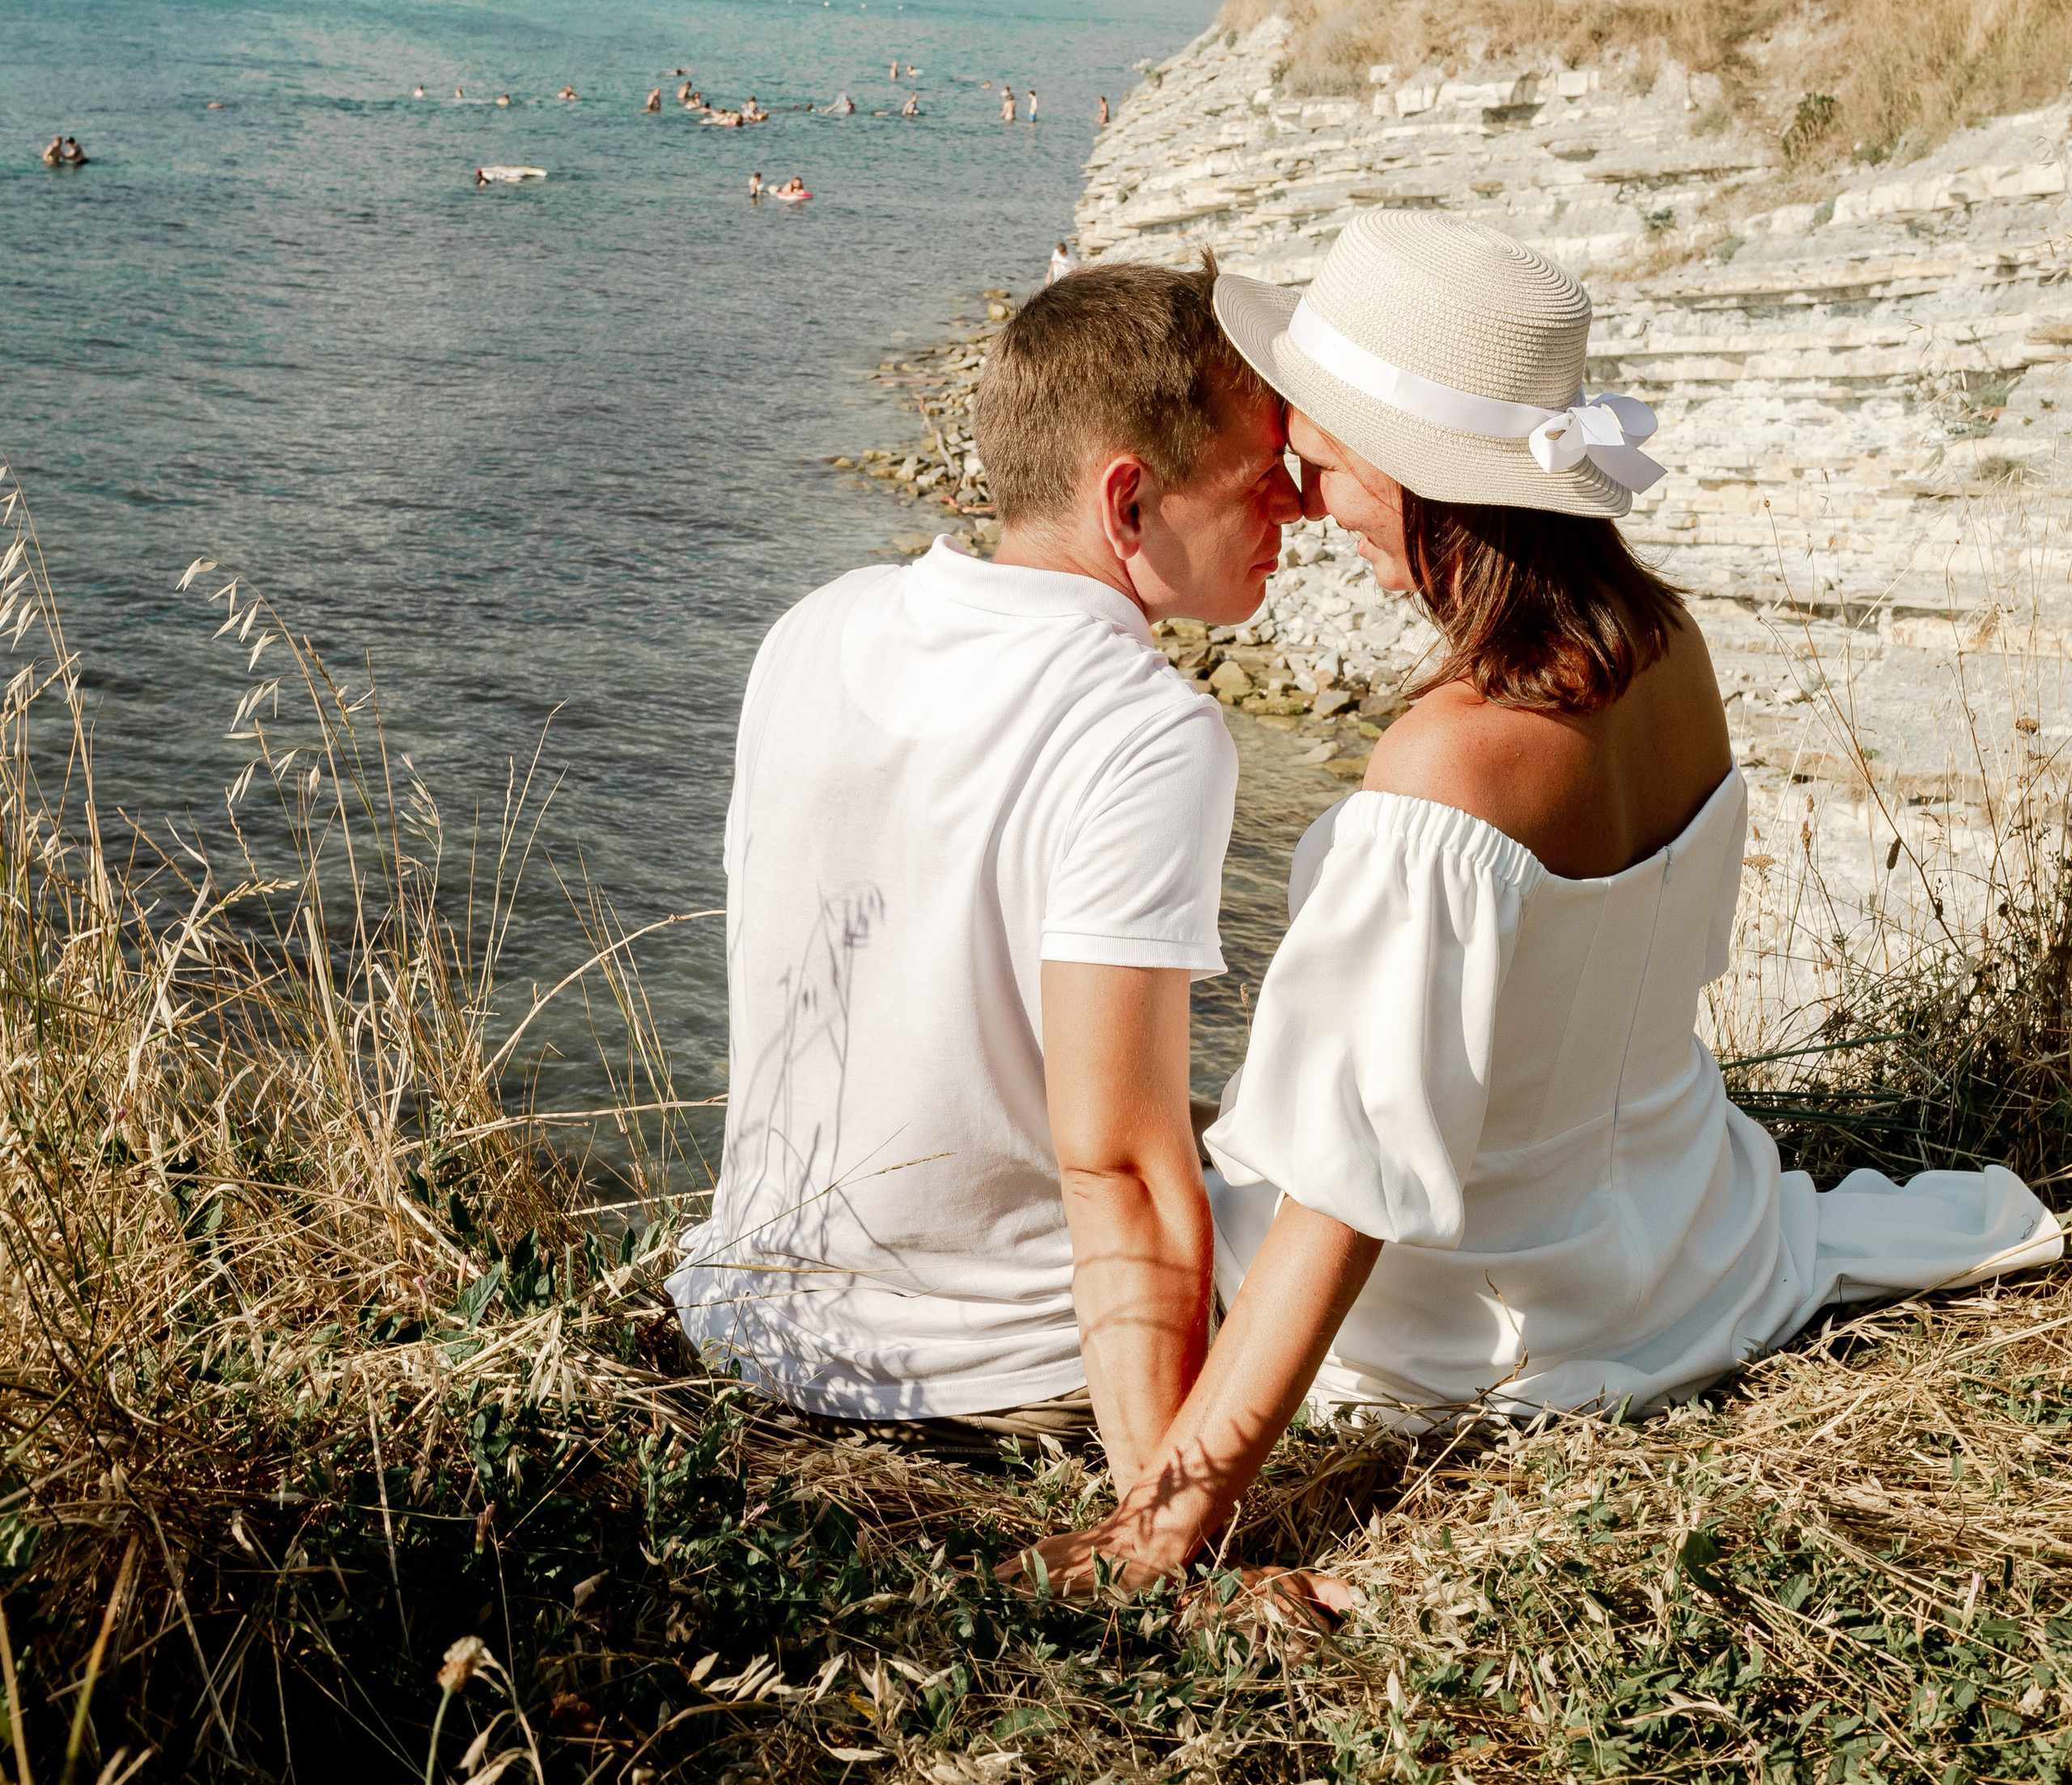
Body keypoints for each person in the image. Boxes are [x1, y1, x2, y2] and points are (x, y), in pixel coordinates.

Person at [1022, 215, 2060, 1593]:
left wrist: (1171, 1518)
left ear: (1415, 480)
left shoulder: (1447, 768)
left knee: (1118, 1186)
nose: (1306, 509)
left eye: (1322, 470)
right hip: (1692, 1246)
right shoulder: (1669, 649)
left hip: (1489, 1329)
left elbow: (1347, 1190)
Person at [668, 261, 1302, 1473]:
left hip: (749, 1325)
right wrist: (1161, 1526)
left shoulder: (814, 626)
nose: (1297, 517)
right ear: (1128, 503)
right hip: (996, 1383)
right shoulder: (1146, 727)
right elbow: (1114, 1159)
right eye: (1259, 485)